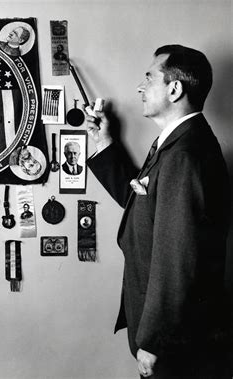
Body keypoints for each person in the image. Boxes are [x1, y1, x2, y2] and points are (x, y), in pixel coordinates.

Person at [86, 45, 231, 378]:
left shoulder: (184, 155)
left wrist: (153, 339)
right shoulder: (179, 143)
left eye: (148, 77)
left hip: (176, 342)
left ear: (175, 89)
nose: (140, 87)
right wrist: (104, 142)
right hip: (174, 335)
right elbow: (143, 203)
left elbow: (178, 258)